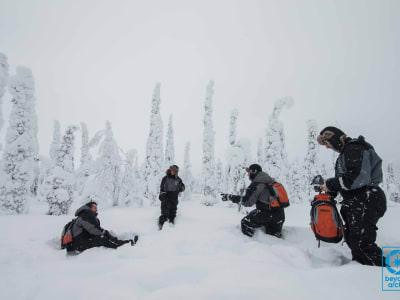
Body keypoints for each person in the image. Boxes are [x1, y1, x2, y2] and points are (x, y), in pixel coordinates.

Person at [317, 126, 386, 266]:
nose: (327, 147)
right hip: (358, 199)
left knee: (361, 243)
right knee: (354, 239)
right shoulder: (348, 152)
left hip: (366, 198)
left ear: (334, 138)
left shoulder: (353, 149)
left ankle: (375, 276)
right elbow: (347, 180)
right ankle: (362, 275)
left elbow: (357, 178)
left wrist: (331, 184)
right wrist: (331, 190)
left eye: (327, 143)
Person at [221, 164, 285, 238]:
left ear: (254, 171)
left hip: (266, 214)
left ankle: (249, 244)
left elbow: (247, 202)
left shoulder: (256, 184)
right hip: (280, 215)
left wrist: (230, 197)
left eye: (249, 171)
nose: (248, 174)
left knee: (245, 222)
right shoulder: (271, 181)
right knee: (274, 239)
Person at [70, 201, 137, 254]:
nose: (97, 209)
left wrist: (104, 232)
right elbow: (93, 230)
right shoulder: (85, 215)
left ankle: (121, 243)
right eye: (95, 207)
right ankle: (124, 246)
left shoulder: (86, 215)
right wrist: (104, 233)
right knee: (102, 239)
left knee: (104, 235)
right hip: (79, 244)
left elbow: (94, 228)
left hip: (81, 241)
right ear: (89, 208)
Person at [158, 165, 185, 230]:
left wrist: (181, 187)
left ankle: (171, 232)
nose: (172, 171)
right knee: (164, 215)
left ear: (176, 171)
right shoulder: (165, 178)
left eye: (174, 170)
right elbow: (162, 188)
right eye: (171, 170)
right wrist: (163, 197)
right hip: (166, 199)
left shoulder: (178, 179)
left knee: (172, 216)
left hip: (174, 200)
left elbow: (183, 188)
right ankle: (159, 229)